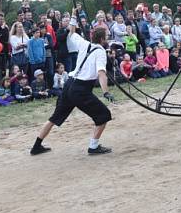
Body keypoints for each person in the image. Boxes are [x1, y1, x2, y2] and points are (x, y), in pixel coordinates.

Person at [30, 22, 116, 156]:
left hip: (69, 84)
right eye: (107, 37)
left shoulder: (83, 43)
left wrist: (73, 16)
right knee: (104, 115)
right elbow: (101, 73)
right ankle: (93, 147)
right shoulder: (100, 52)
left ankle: (36, 146)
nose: (108, 39)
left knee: (54, 118)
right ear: (102, 39)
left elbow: (71, 31)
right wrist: (106, 92)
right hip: (80, 89)